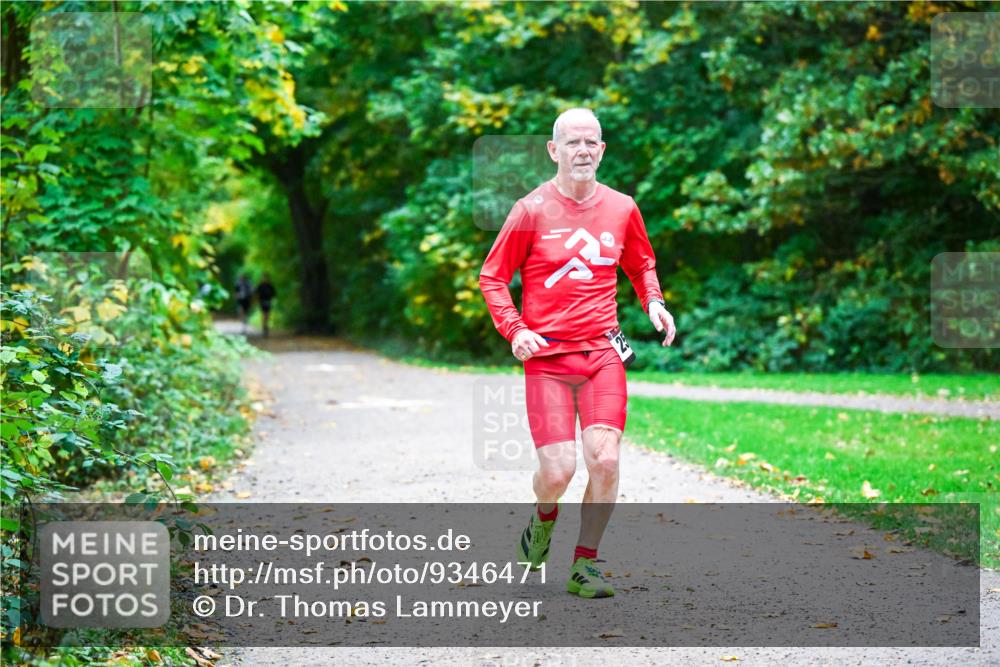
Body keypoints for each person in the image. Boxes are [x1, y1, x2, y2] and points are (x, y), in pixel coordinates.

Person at [479, 108, 676, 599]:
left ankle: (585, 564)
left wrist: (653, 300)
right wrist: (514, 329)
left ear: (602, 150)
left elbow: (641, 261)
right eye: (572, 143)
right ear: (554, 150)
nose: (582, 151)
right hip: (546, 358)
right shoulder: (529, 210)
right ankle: (543, 518)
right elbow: (493, 277)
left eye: (591, 142)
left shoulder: (622, 207)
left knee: (604, 460)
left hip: (603, 353)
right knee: (558, 472)